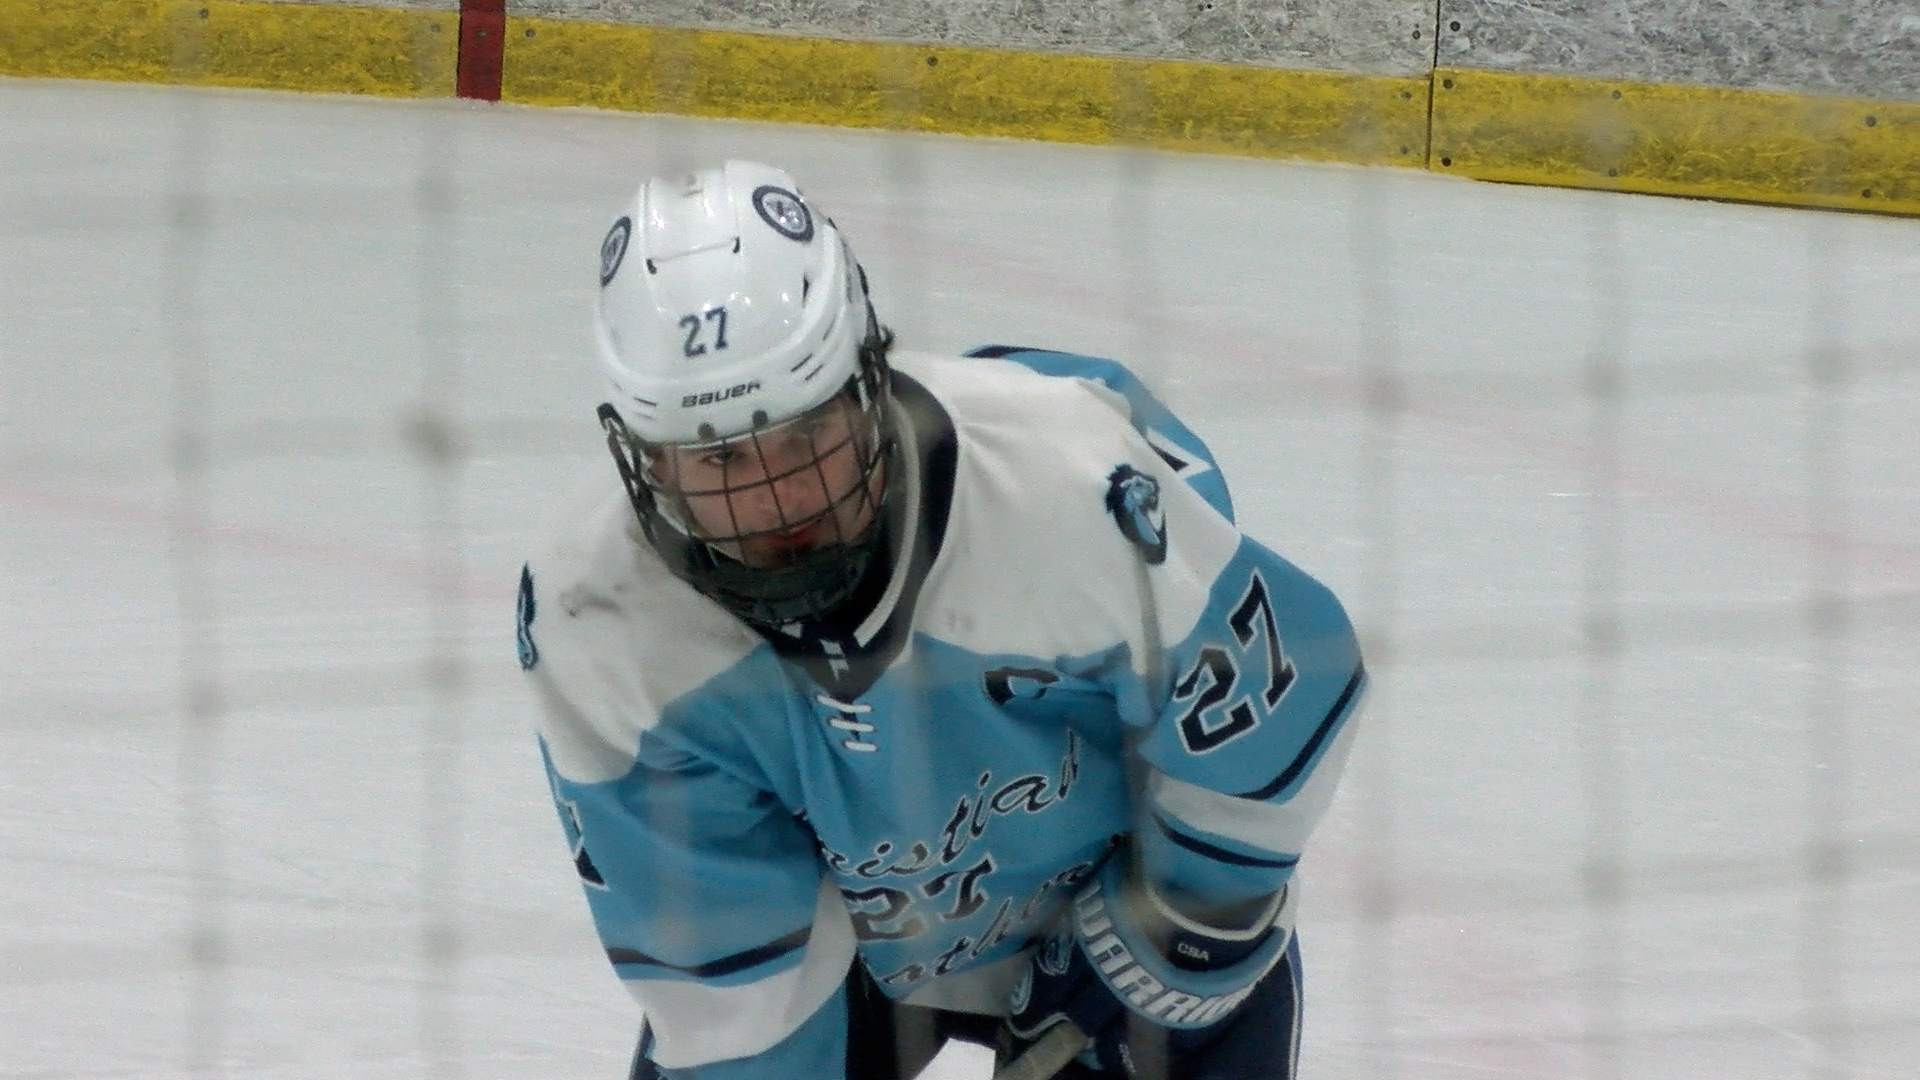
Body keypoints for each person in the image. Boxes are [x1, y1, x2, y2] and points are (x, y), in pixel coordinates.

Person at [518, 160, 1367, 1080]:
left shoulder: (1059, 483)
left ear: (865, 381)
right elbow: (735, 999)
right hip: (842, 949)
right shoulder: (599, 614)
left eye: (806, 435)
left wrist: (1169, 942)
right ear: (647, 460)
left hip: (1123, 905)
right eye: (721, 461)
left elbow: (1283, 703)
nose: (780, 499)